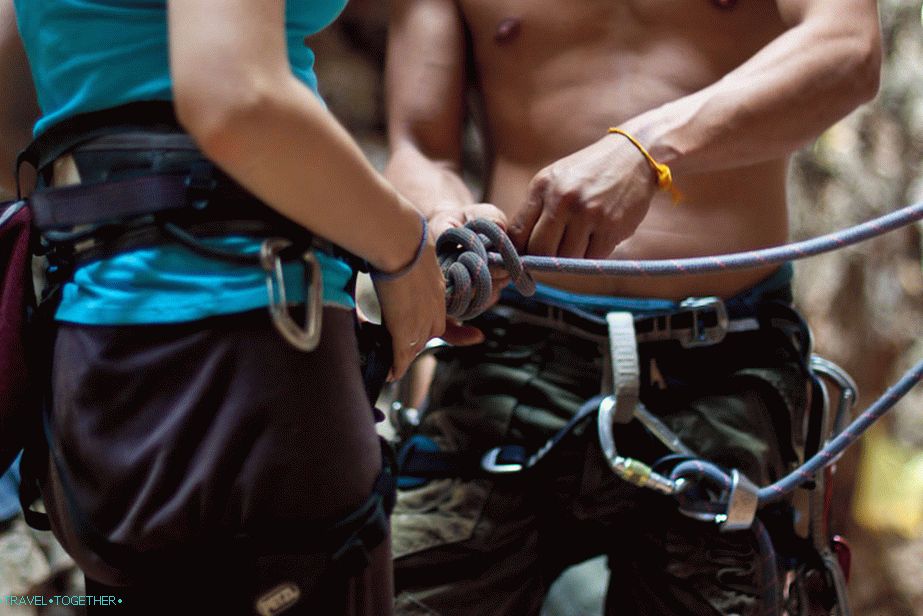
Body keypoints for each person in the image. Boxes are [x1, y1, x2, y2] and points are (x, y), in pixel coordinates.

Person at [383, 0, 881, 614]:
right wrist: (441, 218)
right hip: (510, 350)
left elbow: (850, 50)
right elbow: (422, 149)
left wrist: (644, 147)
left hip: (724, 359)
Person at [0, 0, 447, 613]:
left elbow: (10, 92)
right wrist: (405, 248)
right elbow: (238, 101)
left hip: (97, 351)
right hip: (255, 351)